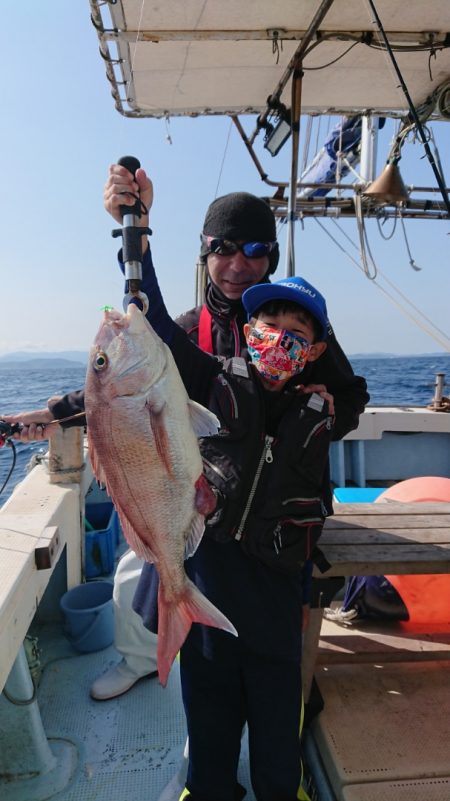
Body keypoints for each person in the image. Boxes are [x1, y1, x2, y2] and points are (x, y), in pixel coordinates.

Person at [2, 165, 369, 706]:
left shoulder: (293, 328)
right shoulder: (187, 327)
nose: (238, 265)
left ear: (271, 257)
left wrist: (326, 413)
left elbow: (353, 399)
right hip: (203, 501)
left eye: (255, 249)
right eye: (223, 248)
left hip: (275, 519)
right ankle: (144, 661)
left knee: (258, 639)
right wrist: (45, 414)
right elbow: (119, 392)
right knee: (137, 575)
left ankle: (268, 699)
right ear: (205, 252)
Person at [129, 263, 332, 801]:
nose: (279, 337)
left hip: (276, 612)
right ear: (247, 330)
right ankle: (209, 788)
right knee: (211, 729)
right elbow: (158, 331)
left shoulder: (317, 417)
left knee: (277, 742)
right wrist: (139, 242)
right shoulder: (213, 381)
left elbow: (314, 511)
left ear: (313, 351)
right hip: (209, 589)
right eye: (268, 320)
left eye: (297, 332)